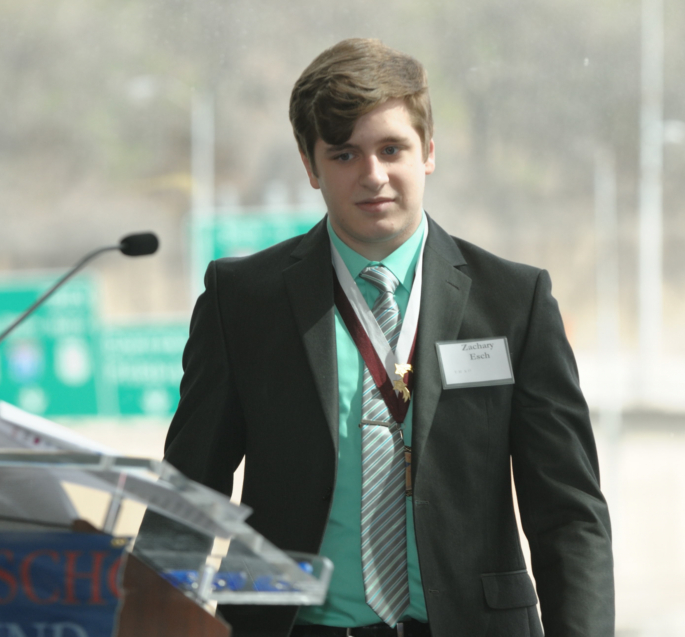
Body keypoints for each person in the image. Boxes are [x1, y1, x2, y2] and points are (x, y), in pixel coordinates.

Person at [143, 38, 614, 637]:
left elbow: (568, 515)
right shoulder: (242, 301)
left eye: (392, 149)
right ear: (310, 166)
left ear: (428, 151)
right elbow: (187, 496)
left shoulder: (514, 303)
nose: (373, 176)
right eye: (344, 154)